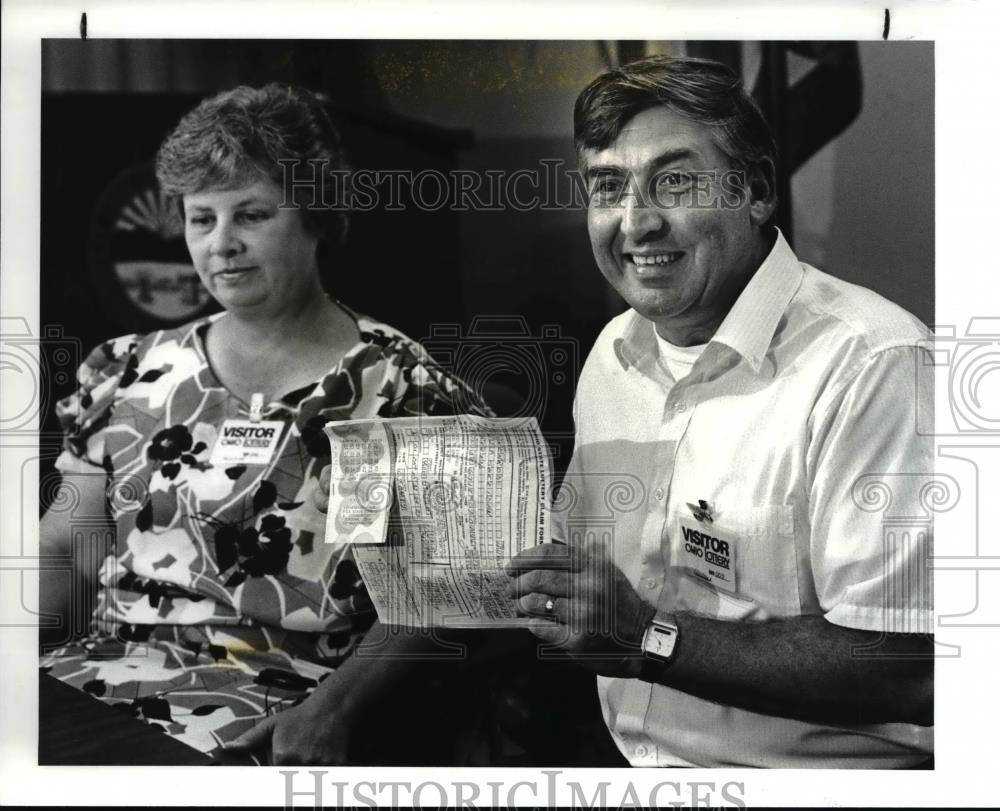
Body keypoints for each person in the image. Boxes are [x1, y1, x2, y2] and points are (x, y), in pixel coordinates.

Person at [39, 83, 491, 765]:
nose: (222, 244)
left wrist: (329, 712)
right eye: (200, 220)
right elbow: (66, 549)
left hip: (284, 710)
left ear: (314, 216)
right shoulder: (126, 371)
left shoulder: (393, 389)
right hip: (103, 681)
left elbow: (429, 603)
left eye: (250, 214)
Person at [505, 55, 934, 768]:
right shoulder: (615, 350)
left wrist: (647, 637)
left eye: (673, 181)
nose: (636, 223)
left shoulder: (875, 364)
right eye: (608, 187)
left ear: (758, 189)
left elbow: (911, 668)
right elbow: (588, 571)